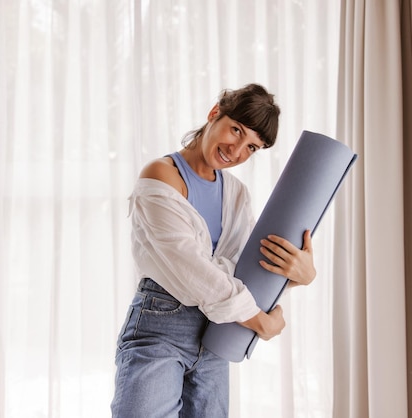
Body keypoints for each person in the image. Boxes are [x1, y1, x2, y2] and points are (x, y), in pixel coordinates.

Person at [111, 83, 316, 417]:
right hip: (161, 329)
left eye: (252, 147)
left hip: (218, 337)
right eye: (236, 130)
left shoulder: (236, 194)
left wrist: (298, 276)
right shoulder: (161, 176)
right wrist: (258, 320)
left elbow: (244, 269)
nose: (236, 151)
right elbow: (193, 271)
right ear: (214, 114)